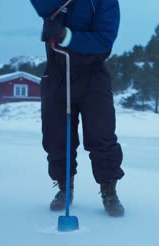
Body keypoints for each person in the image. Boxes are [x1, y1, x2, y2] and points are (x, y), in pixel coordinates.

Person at [30, 0, 125, 217]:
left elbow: (104, 40)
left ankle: (109, 190)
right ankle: (64, 188)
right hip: (57, 73)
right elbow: (42, 6)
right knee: (56, 137)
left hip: (93, 75)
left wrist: (66, 35)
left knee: (102, 136)